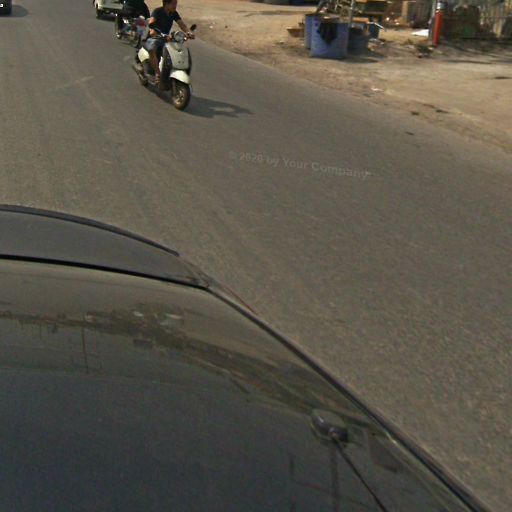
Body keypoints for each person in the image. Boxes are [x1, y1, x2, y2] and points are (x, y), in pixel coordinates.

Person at [145, 0, 194, 84]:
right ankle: (157, 73)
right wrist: (152, 29)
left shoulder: (173, 13)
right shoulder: (158, 11)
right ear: (166, 4)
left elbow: (181, 24)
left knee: (178, 51)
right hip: (156, 36)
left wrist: (188, 32)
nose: (175, 6)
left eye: (176, 4)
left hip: (166, 38)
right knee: (152, 49)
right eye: (173, 4)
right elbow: (151, 21)